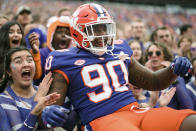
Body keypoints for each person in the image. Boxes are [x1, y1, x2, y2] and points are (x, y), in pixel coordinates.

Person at [43, 3, 196, 131]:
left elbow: (154, 81)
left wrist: (173, 70)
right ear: (77, 32)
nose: (102, 34)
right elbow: (48, 110)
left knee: (190, 121)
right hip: (102, 120)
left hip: (136, 111)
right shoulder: (62, 59)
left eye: (105, 28)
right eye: (95, 29)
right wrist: (47, 113)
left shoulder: (119, 49)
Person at [0, 47, 60, 130]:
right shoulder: (3, 100)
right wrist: (36, 106)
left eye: (29, 60)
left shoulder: (44, 91)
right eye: (18, 61)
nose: (26, 64)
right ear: (9, 71)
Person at [28, 16, 72, 85]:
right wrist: (35, 54)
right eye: (59, 32)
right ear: (52, 36)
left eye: (67, 33)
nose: (64, 35)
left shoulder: (72, 56)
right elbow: (35, 77)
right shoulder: (42, 53)